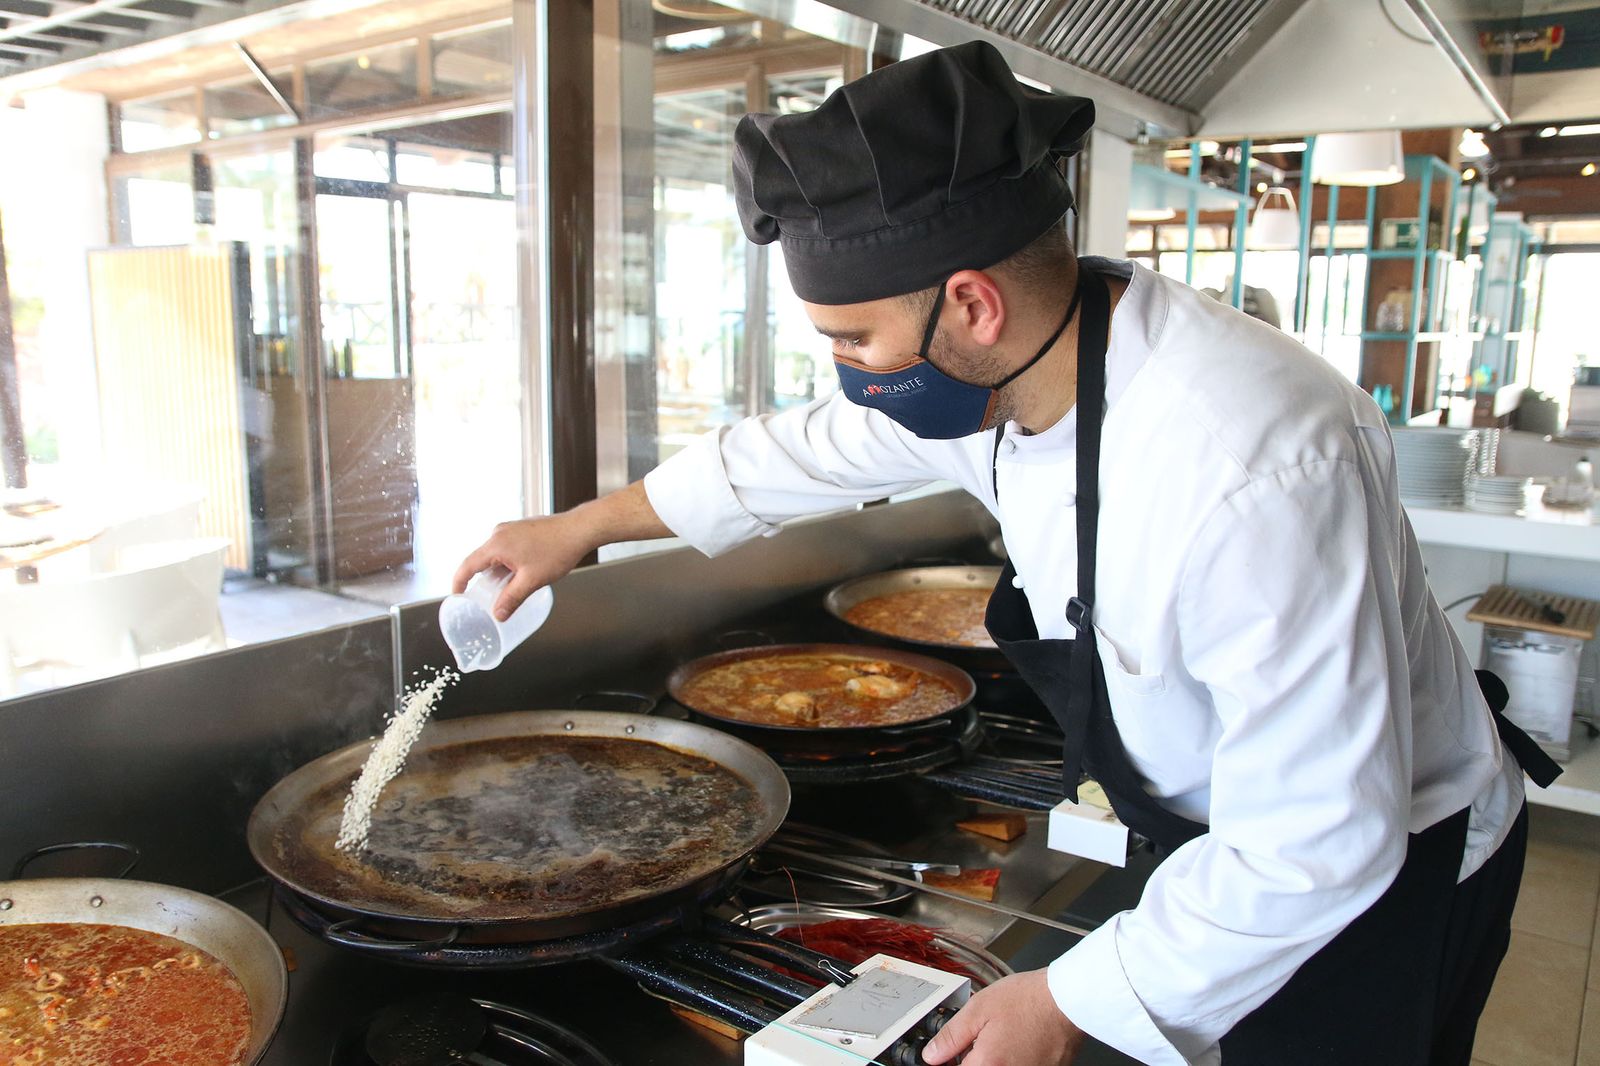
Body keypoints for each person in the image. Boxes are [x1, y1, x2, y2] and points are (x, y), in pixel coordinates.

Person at [455, 42, 1559, 1066]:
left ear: (972, 304)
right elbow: (797, 451)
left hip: (1386, 866)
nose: (849, 374)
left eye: (852, 340)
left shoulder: (1248, 465)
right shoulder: (1007, 370)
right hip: (1212, 835)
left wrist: (1068, 997)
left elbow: (1317, 840)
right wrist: (577, 529)